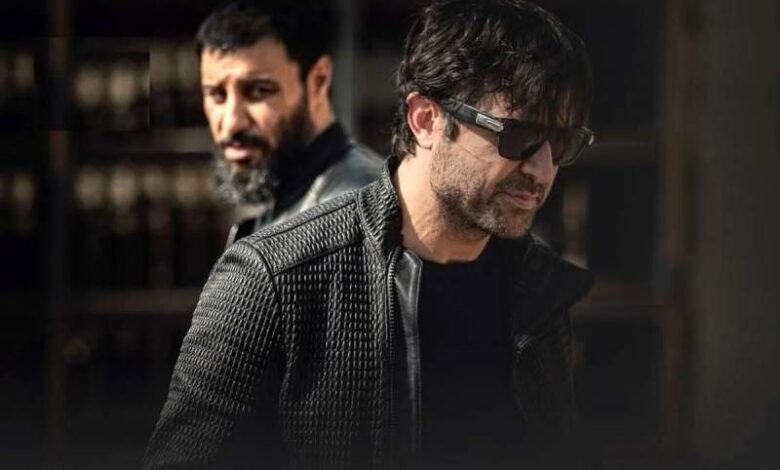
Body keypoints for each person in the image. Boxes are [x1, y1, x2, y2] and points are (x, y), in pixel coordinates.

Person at [142, 0, 596, 468]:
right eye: (518, 136)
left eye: (562, 142)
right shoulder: (270, 280)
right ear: (425, 119)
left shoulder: (535, 287)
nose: (543, 169)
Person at [197, 0, 382, 244]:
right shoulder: (286, 198)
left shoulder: (357, 209)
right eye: (217, 95)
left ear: (318, 80)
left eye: (259, 91)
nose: (232, 123)